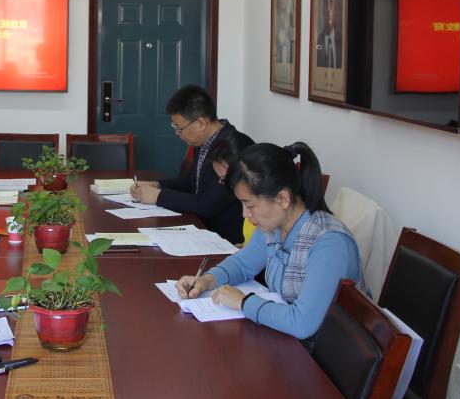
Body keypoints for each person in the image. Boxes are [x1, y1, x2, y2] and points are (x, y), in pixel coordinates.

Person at [175, 141, 365, 343]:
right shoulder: (274, 224)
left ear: (282, 199)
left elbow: (302, 323)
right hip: (285, 339)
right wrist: (207, 280)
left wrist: (243, 302)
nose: (245, 214)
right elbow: (243, 264)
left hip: (321, 352)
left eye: (250, 205)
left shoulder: (329, 243)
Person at [130, 85, 252, 243]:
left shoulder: (233, 148)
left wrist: (158, 196)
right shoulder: (204, 140)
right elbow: (190, 181)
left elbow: (208, 204)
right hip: (200, 227)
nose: (178, 134)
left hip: (224, 238)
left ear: (201, 123)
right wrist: (156, 185)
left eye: (179, 128)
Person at [316, 0, 343, 69]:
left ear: (337, 5)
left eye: (331, 0)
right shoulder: (316, 42)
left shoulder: (344, 41)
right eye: (325, 1)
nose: (328, 8)